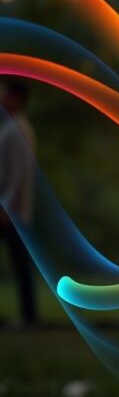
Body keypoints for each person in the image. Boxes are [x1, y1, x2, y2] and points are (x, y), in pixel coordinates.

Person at [0, 78, 38, 328]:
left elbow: (18, 173)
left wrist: (6, 207)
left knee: (20, 263)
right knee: (19, 262)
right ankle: (29, 316)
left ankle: (29, 316)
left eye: (5, 94)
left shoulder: (17, 130)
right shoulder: (15, 127)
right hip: (13, 209)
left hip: (10, 211)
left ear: (16, 99)